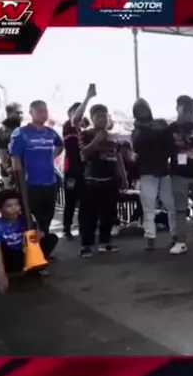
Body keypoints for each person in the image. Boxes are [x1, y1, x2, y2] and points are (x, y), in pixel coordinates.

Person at [77, 104, 126, 257]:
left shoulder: (113, 136)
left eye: (104, 116)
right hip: (91, 180)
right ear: (92, 119)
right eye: (98, 117)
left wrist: (123, 177)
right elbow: (84, 154)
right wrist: (96, 140)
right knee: (89, 215)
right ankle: (86, 246)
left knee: (108, 214)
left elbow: (118, 158)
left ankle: (105, 242)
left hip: (110, 180)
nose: (102, 119)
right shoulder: (86, 134)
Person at [0, 189, 59, 293]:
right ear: (0, 209)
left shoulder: (26, 219)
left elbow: (37, 234)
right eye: (9, 206)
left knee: (51, 238)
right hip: (11, 259)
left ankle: (37, 266)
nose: (14, 208)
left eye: (17, 204)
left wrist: (40, 235)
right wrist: (1, 272)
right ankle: (9, 271)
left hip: (25, 254)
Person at [9, 100, 63, 235]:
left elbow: (60, 145)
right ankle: (32, 246)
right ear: (31, 113)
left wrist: (51, 157)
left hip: (50, 182)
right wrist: (20, 184)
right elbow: (15, 160)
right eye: (39, 111)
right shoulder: (21, 133)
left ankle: (44, 244)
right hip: (31, 184)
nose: (43, 114)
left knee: (47, 219)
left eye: (45, 111)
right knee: (30, 220)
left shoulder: (51, 133)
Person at [165, 95, 193, 255]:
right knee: (180, 209)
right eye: (184, 110)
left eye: (190, 111)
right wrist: (177, 145)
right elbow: (163, 151)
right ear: (177, 108)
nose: (187, 114)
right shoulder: (170, 130)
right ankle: (181, 241)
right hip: (178, 173)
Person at [131, 98, 172, 250]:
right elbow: (136, 146)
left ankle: (175, 235)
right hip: (147, 170)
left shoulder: (159, 123)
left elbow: (167, 139)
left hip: (162, 168)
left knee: (170, 204)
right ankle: (150, 236)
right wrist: (146, 130)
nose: (142, 112)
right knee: (148, 205)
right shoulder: (137, 129)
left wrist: (147, 129)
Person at [61, 98, 93, 239]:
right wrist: (88, 97)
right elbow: (76, 117)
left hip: (84, 170)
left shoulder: (85, 130)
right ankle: (67, 228)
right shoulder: (68, 126)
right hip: (71, 171)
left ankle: (83, 227)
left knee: (85, 200)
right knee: (70, 200)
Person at [0, 103, 23, 188]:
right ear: (9, 114)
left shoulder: (22, 129)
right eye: (18, 113)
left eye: (22, 113)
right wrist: (9, 170)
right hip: (11, 172)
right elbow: (2, 153)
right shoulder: (2, 132)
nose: (21, 115)